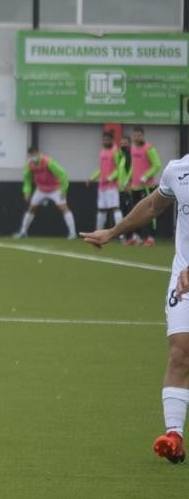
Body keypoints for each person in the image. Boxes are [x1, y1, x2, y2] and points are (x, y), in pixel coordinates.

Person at [80, 150, 189, 463]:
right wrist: (112, 232)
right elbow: (154, 205)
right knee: (180, 352)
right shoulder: (177, 170)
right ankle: (174, 436)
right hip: (182, 276)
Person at [14, 145, 76, 239]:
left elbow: (63, 174)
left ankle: (72, 233)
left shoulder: (48, 161)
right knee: (31, 208)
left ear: (38, 153)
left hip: (55, 188)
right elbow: (27, 179)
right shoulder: (29, 164)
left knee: (63, 208)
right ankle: (23, 232)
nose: (32, 156)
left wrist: (64, 190)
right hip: (41, 189)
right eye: (30, 155)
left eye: (34, 154)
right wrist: (27, 192)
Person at [125, 125, 163, 247]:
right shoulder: (132, 148)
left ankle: (150, 237)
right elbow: (133, 166)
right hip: (135, 186)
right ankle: (137, 237)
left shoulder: (149, 149)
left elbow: (157, 165)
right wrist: (128, 180)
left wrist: (146, 175)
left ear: (143, 135)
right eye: (135, 136)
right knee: (135, 212)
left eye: (139, 135)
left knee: (149, 211)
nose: (137, 138)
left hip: (147, 186)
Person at [87, 130, 125, 240]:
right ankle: (97, 235)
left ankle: (121, 235)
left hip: (112, 186)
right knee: (101, 210)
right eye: (104, 140)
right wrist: (92, 178)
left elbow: (119, 168)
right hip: (102, 187)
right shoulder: (102, 152)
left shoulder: (116, 152)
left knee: (115, 208)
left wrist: (110, 178)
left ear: (111, 140)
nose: (105, 141)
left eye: (107, 140)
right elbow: (101, 169)